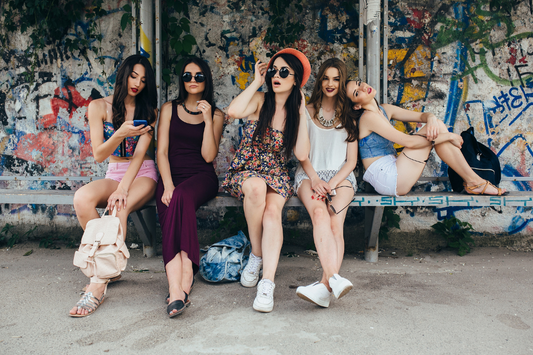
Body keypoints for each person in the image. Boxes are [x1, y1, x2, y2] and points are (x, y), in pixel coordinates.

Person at [223, 48, 311, 313]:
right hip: (247, 168)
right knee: (256, 187)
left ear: (296, 80)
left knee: (273, 215)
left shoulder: (296, 112)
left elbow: (302, 154)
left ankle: (267, 283)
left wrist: (303, 109)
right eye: (274, 70)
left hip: (276, 173)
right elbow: (234, 110)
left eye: (284, 72)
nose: (277, 75)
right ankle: (256, 255)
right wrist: (255, 82)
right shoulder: (260, 101)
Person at [70, 54, 158, 317]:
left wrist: (123, 189)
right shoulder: (98, 107)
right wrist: (120, 132)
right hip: (114, 170)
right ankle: (107, 266)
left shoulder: (149, 112)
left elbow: (141, 154)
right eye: (133, 76)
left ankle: (97, 285)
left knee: (120, 207)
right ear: (123, 75)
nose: (137, 84)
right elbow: (98, 154)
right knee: (82, 198)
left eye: (143, 80)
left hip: (142, 173)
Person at [346, 79, 507, 196]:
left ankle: (474, 181)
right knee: (440, 131)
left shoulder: (384, 109)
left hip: (394, 168)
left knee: (437, 125)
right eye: (357, 92)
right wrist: (449, 136)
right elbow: (408, 142)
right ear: (356, 106)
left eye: (360, 83)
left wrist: (430, 119)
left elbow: (424, 115)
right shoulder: (368, 118)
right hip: (388, 177)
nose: (363, 87)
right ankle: (474, 181)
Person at [156, 57, 224, 318]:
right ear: (181, 80)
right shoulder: (168, 109)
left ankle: (183, 277)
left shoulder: (215, 114)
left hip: (201, 176)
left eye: (198, 76)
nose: (192, 81)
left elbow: (209, 156)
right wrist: (168, 184)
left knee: (181, 198)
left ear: (206, 80)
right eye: (187, 76)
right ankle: (179, 286)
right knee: (171, 202)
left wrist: (208, 120)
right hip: (171, 175)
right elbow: (161, 152)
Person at [294, 58, 358, 308]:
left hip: (341, 177)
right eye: (326, 78)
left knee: (335, 219)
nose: (330, 83)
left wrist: (331, 183)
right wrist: (316, 178)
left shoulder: (350, 115)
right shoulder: (307, 111)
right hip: (309, 173)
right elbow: (302, 154)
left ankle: (324, 286)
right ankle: (334, 279)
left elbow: (351, 161)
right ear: (320, 80)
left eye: (336, 79)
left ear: (341, 82)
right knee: (320, 215)